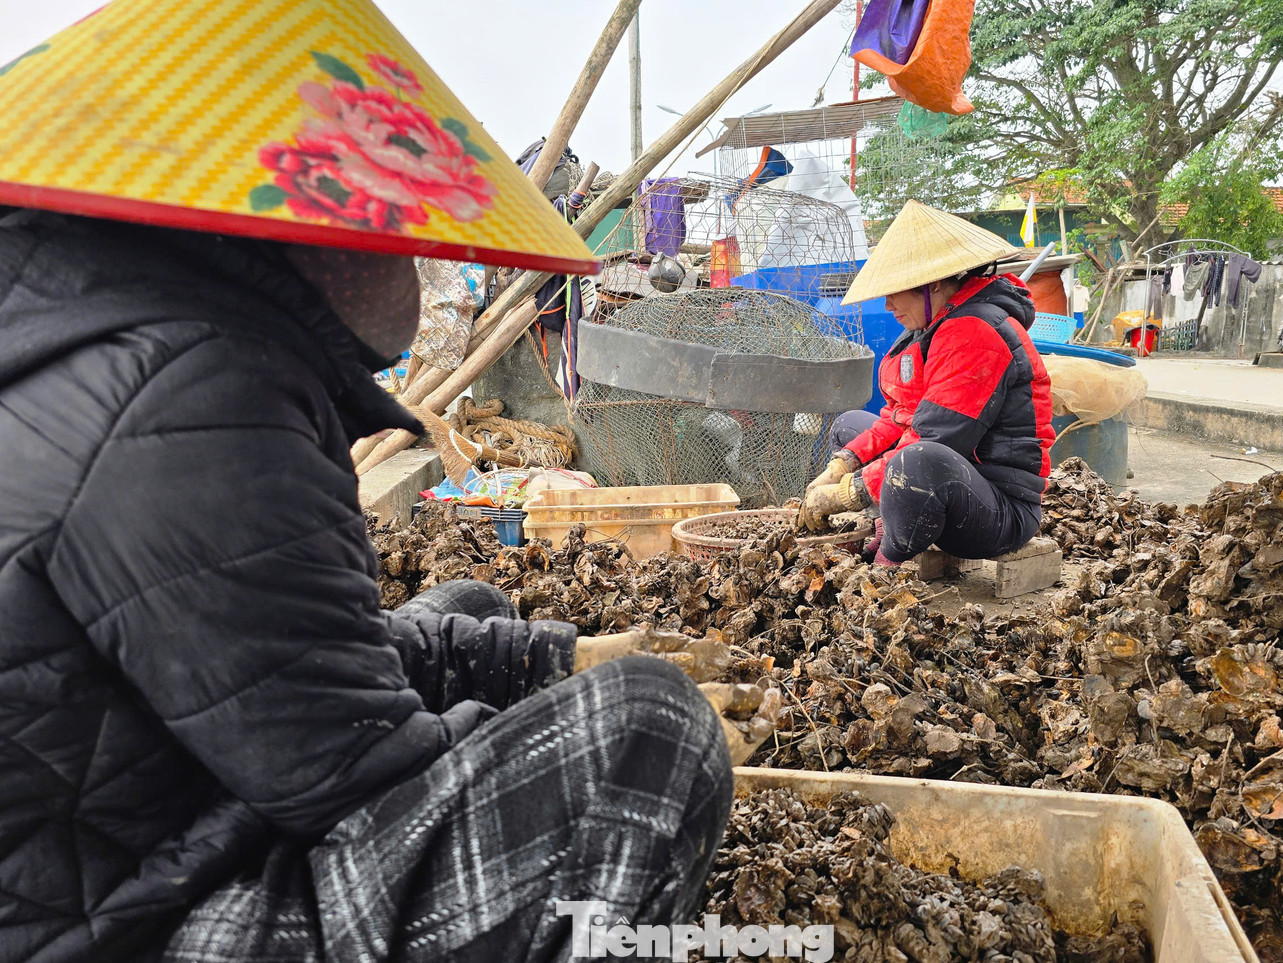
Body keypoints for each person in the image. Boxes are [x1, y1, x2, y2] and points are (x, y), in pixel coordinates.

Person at [0, 5, 776, 962]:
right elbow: (358, 774)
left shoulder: (111, 333)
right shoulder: (189, 389)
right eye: (394, 228)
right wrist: (544, 727)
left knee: (473, 606)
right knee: (652, 732)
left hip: (133, 836)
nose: (413, 256)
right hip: (133, 920)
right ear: (299, 220)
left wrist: (562, 659)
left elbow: (289, 654)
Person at [800, 201, 1056, 566]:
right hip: (955, 478)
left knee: (916, 461)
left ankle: (886, 565)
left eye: (895, 291)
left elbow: (934, 438)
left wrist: (847, 493)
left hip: (997, 508)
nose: (888, 305)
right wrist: (840, 467)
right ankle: (886, 524)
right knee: (850, 426)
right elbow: (902, 416)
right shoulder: (933, 327)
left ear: (932, 283)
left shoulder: (976, 334)